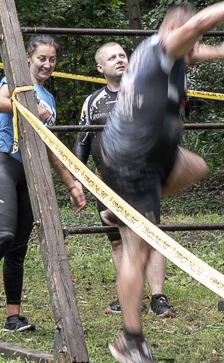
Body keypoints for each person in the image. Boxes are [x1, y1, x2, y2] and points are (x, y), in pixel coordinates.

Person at [100, 0, 224, 363]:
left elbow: (194, 50)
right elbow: (194, 28)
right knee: (140, 249)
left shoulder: (171, 55)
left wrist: (222, 52)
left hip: (158, 158)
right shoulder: (163, 47)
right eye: (191, 39)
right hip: (132, 161)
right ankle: (131, 341)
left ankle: (121, 210)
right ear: (174, 30)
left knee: (196, 166)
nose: (194, 48)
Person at [0, 35, 87, 332]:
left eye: (52, 60)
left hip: (31, 174)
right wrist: (29, 108)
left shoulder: (50, 98)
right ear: (28, 57)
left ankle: (13, 318)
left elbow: (51, 146)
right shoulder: (16, 82)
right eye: (42, 58)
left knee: (18, 249)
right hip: (5, 162)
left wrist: (71, 184)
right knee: (3, 235)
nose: (47, 64)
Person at [72, 42, 176, 319]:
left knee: (150, 237)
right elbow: (82, 140)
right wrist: (76, 178)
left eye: (122, 55)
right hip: (105, 185)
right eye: (112, 57)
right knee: (118, 241)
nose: (119, 59)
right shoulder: (92, 101)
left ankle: (158, 298)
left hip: (142, 180)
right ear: (100, 68)